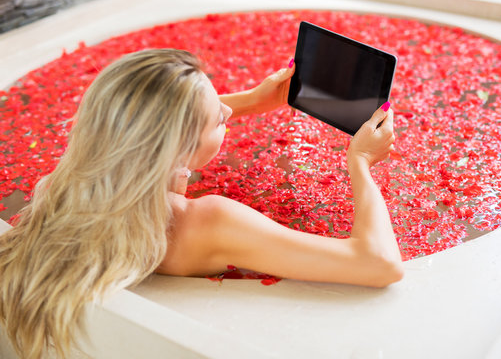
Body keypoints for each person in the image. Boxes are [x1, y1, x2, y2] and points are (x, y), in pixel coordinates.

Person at [0, 49, 403, 359]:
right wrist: (361, 162)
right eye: (218, 119)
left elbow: (136, 122)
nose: (228, 110)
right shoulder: (205, 223)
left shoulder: (59, 185)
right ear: (175, 151)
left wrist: (249, 100)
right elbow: (379, 264)